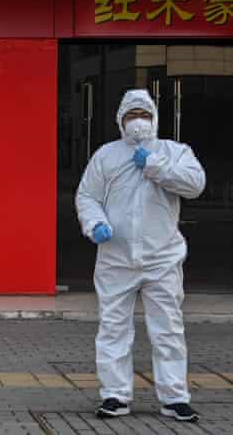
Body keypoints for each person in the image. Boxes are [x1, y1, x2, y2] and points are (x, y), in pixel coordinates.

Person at [76, 89, 205, 422]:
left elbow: (195, 184)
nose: (137, 122)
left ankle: (175, 397)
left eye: (143, 115)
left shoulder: (174, 152)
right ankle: (115, 395)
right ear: (120, 120)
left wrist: (155, 165)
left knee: (168, 329)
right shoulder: (106, 155)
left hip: (162, 258)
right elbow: (87, 196)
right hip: (115, 258)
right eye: (131, 115)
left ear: (155, 119)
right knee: (113, 328)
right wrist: (95, 223)